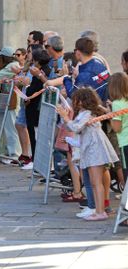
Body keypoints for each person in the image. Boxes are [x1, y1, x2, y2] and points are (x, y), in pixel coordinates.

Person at [56, 88, 118, 221]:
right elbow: (71, 127)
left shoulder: (88, 114)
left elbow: (76, 128)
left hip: (95, 150)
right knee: (94, 183)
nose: (74, 102)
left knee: (96, 182)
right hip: (90, 149)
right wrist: (65, 118)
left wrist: (65, 117)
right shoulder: (83, 113)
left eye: (76, 100)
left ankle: (100, 211)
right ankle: (97, 209)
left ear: (83, 100)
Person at [109, 72, 128, 186]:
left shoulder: (116, 104)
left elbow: (117, 128)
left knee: (126, 174)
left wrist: (110, 114)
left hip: (125, 142)